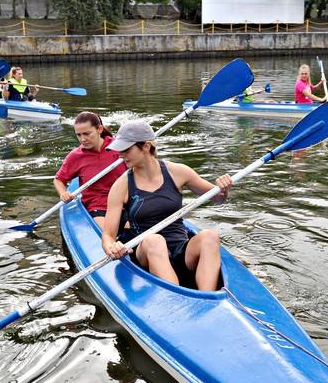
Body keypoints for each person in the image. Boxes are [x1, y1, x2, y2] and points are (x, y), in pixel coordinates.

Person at [101, 121, 233, 291]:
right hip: (147, 252)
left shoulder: (178, 172)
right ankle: (177, 299)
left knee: (210, 236)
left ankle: (208, 300)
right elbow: (108, 237)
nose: (120, 155)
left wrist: (223, 188)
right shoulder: (121, 186)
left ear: (146, 146)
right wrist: (112, 247)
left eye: (126, 150)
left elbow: (219, 198)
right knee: (156, 241)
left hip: (181, 249)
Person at [53, 111, 127, 227]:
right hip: (99, 206)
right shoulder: (75, 156)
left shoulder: (119, 147)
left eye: (87, 134)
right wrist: (63, 193)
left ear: (99, 129)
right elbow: (58, 179)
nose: (83, 139)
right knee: (106, 234)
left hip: (125, 203)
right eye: (79, 135)